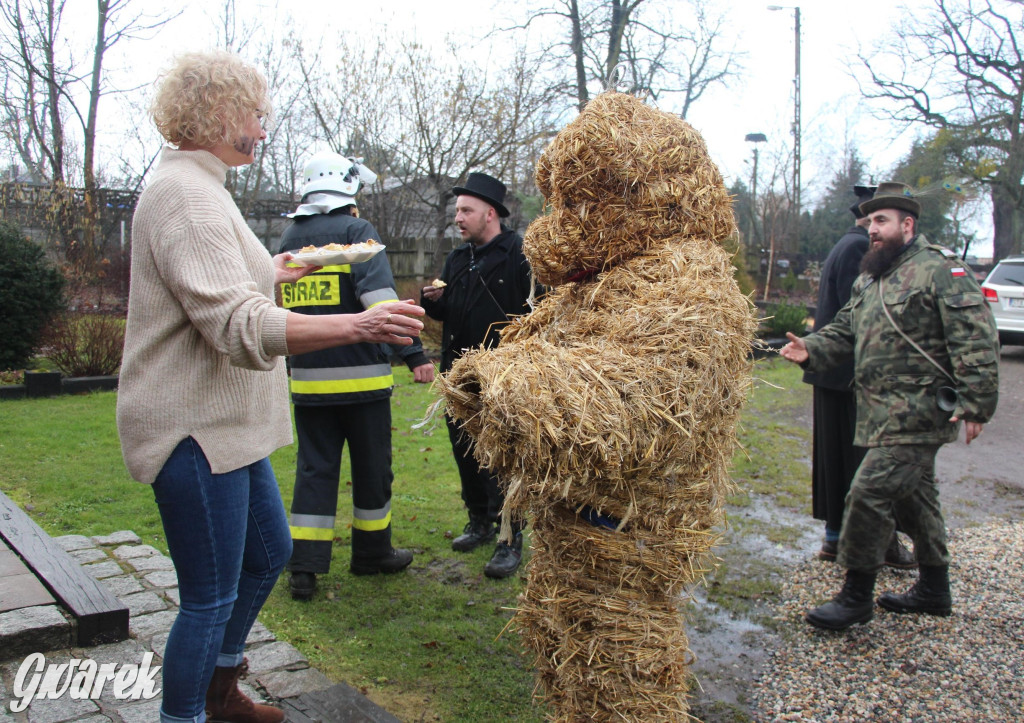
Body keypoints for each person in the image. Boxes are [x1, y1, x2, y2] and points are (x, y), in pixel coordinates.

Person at [116, 51, 424, 723]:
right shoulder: (188, 198)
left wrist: (272, 267)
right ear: (220, 113)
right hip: (192, 430)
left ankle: (221, 693)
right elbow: (235, 323)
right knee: (208, 596)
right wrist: (360, 321)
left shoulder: (203, 186)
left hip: (227, 429)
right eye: (256, 113)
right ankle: (187, 714)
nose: (264, 127)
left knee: (268, 554)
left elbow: (224, 279)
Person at [779, 182, 999, 631]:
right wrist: (812, 349)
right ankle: (934, 590)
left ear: (907, 224)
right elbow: (844, 330)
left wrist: (977, 404)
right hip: (879, 412)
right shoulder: (871, 276)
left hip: (919, 414)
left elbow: (974, 336)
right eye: (869, 221)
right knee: (917, 501)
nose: (871, 229)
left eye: (881, 221)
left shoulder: (938, 270)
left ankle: (856, 594)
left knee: (868, 494)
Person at [277, 151, 435, 601]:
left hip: (308, 382)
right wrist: (416, 354)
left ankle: (304, 568)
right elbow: (383, 303)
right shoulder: (356, 232)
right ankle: (371, 553)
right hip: (362, 383)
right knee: (371, 472)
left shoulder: (291, 236)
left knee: (314, 471)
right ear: (348, 189)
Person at [420, 172, 539, 578]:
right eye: (457, 211)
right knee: (466, 454)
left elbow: (537, 314)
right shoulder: (457, 259)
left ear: (490, 214)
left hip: (503, 379)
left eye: (466, 210)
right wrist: (432, 301)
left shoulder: (519, 255)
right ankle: (480, 523)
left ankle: (510, 539)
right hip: (458, 377)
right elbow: (448, 312)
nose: (458, 218)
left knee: (504, 460)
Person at [804, 185, 915, 569]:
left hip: (835, 371)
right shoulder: (857, 251)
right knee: (859, 464)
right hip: (846, 374)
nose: (876, 230)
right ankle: (871, 544)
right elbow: (862, 316)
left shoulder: (846, 243)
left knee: (841, 461)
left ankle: (838, 539)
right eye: (877, 219)